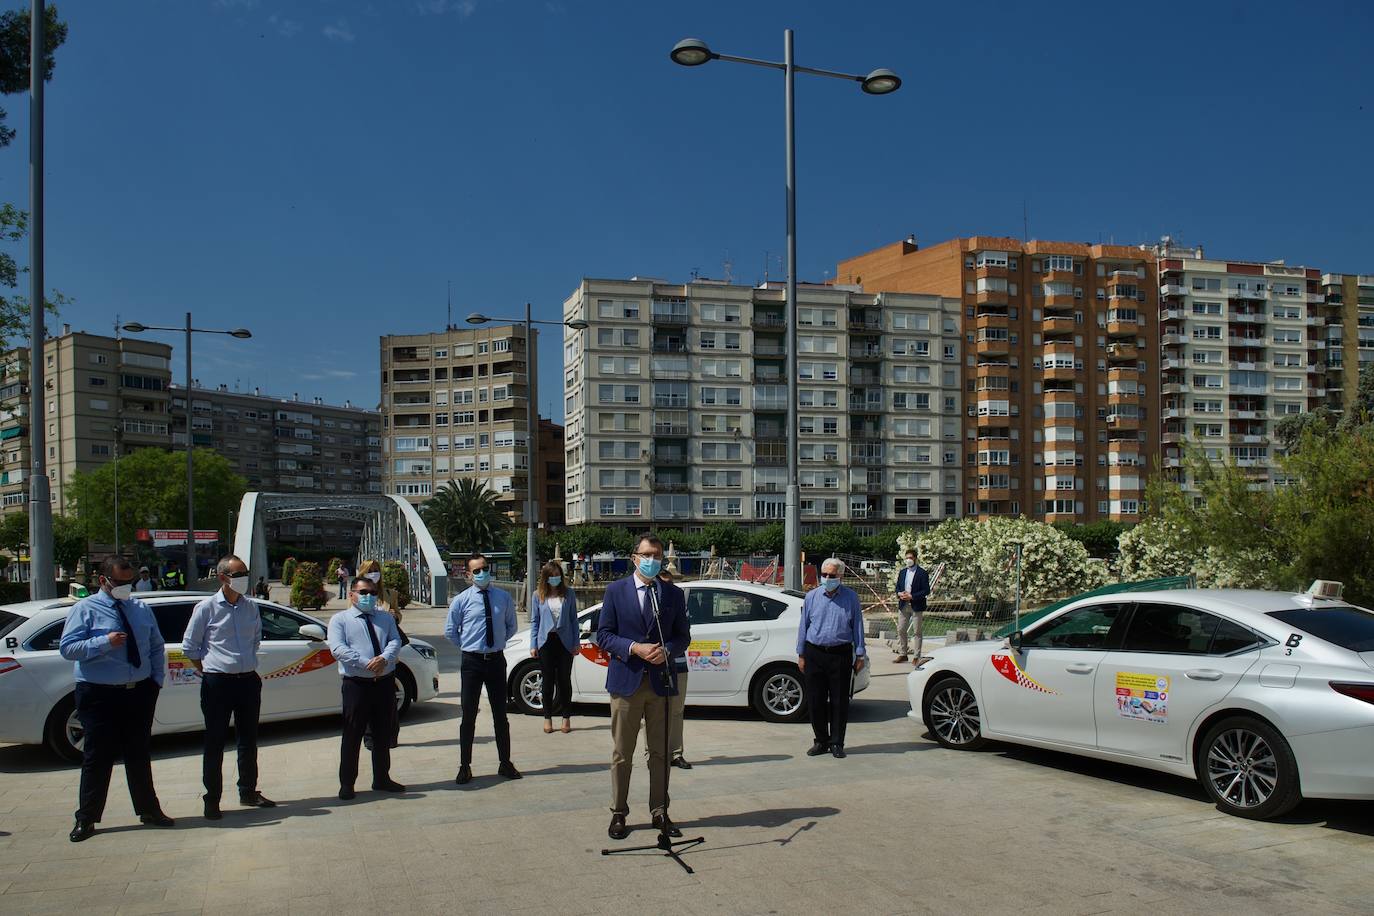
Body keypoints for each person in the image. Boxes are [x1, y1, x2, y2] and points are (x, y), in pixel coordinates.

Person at [58, 556, 174, 842]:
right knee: (97, 756)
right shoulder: (85, 609)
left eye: (129, 582)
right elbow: (68, 648)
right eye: (120, 582)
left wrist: (155, 681)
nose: (126, 587)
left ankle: (149, 809)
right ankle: (86, 818)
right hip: (99, 694)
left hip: (138, 691)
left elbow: (156, 646)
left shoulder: (140, 608)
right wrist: (104, 642)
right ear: (103, 580)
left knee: (139, 754)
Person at [596, 534, 690, 841]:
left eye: (657, 555)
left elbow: (683, 636)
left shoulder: (672, 594)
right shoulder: (616, 591)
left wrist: (668, 650)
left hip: (661, 683)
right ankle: (618, 812)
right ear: (634, 557)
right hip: (627, 681)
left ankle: (659, 810)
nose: (652, 559)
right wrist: (634, 647)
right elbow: (604, 635)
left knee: (661, 752)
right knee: (622, 753)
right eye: (647, 554)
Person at [182, 555, 276, 820]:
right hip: (218, 683)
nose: (244, 578)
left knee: (248, 740)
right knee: (215, 742)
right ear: (223, 577)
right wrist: (209, 669)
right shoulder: (206, 608)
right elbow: (190, 647)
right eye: (238, 574)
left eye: (246, 573)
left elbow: (255, 639)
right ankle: (212, 799)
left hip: (247, 681)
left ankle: (248, 791)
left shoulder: (250, 606)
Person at [327, 576, 406, 799]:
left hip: (384, 683)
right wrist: (366, 663)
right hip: (357, 684)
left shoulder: (385, 617)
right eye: (363, 592)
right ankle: (347, 783)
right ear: (351, 594)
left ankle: (381, 778)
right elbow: (338, 649)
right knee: (352, 734)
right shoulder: (340, 620)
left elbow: (395, 640)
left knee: (382, 733)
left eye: (372, 593)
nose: (368, 597)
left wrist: (384, 658)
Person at [446, 553, 521, 784]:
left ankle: (505, 763)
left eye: (485, 568)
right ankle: (465, 766)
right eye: (476, 571)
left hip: (496, 661)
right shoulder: (461, 600)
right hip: (472, 662)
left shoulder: (503, 597)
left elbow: (511, 627)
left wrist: (496, 644)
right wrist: (470, 646)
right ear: (469, 575)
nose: (482, 573)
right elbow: (450, 631)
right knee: (468, 715)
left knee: (501, 714)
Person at [796, 558, 866, 759]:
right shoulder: (812, 597)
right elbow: (804, 626)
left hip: (840, 654)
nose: (827, 578)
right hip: (814, 653)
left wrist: (860, 653)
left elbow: (857, 626)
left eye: (831, 575)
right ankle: (821, 741)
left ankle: (837, 742)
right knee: (815, 700)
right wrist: (801, 654)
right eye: (824, 574)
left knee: (839, 701)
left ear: (840, 576)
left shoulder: (851, 598)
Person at [529, 560, 579, 735]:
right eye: (551, 576)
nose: (555, 579)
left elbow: (574, 619)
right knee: (548, 681)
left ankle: (566, 717)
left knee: (564, 680)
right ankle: (547, 717)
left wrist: (576, 643)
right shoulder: (538, 595)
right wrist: (533, 644)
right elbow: (535, 621)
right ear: (546, 578)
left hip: (565, 641)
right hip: (546, 641)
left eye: (557, 576)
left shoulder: (569, 593)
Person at [658, 569, 691, 769]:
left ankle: (676, 753)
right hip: (654, 665)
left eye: (670, 583)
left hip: (677, 663)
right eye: (663, 584)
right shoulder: (649, 604)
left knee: (677, 711)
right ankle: (654, 753)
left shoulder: (678, 602)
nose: (667, 587)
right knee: (654, 712)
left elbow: (684, 633)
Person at [894, 548, 931, 665]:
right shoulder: (902, 572)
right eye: (906, 558)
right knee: (901, 629)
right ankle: (903, 653)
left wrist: (912, 596)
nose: (908, 560)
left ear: (915, 558)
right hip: (903, 604)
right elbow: (898, 587)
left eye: (910, 558)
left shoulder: (922, 573)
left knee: (917, 631)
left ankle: (916, 656)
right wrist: (899, 593)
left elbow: (926, 590)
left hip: (916, 605)